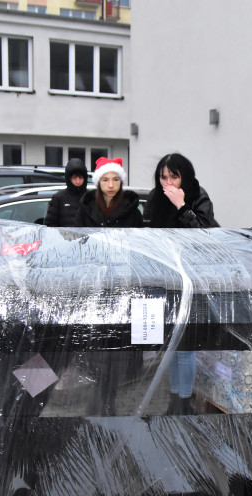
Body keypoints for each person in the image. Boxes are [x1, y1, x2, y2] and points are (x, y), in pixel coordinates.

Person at [143, 153, 219, 414]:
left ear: (184, 176)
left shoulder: (198, 195)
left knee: (185, 345)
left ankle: (182, 402)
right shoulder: (155, 198)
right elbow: (148, 238)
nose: (168, 182)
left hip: (194, 278)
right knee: (171, 345)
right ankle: (175, 398)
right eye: (163, 177)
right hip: (165, 280)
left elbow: (204, 235)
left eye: (174, 176)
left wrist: (182, 207)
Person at [73, 157, 144, 228]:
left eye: (115, 180)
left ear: (121, 182)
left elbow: (138, 237)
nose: (111, 185)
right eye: (105, 180)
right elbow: (77, 236)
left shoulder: (132, 211)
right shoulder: (86, 209)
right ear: (99, 182)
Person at [44, 157, 88, 227]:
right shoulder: (59, 198)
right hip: (63, 237)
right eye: (74, 177)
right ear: (68, 178)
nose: (78, 181)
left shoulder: (91, 197)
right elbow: (50, 225)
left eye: (80, 177)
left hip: (87, 237)